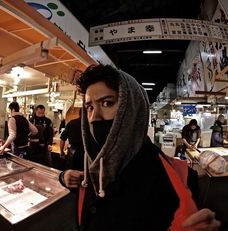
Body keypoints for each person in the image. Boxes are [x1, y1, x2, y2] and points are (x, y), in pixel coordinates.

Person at [59, 64, 220, 231]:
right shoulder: (90, 162)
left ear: (132, 109)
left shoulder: (165, 177)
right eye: (90, 107)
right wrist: (64, 177)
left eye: (107, 103)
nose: (94, 117)